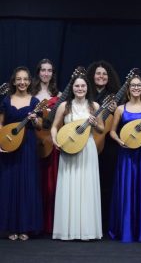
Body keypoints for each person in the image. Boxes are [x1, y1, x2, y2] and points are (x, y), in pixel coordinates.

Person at [51, 74, 104, 240]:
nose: (80, 89)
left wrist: (95, 123)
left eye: (83, 86)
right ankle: (68, 230)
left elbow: (101, 129)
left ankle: (87, 230)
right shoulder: (64, 106)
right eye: (77, 86)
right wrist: (55, 139)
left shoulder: (94, 106)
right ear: (72, 88)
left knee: (86, 187)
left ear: (87, 88)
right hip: (68, 148)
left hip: (87, 148)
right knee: (69, 186)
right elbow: (54, 127)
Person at [109, 74, 141, 242]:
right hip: (127, 153)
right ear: (128, 89)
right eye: (133, 85)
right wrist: (119, 141)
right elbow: (112, 131)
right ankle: (126, 230)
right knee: (127, 190)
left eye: (139, 85)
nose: (136, 88)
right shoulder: (120, 109)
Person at [0, 66, 43, 241]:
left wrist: (35, 119)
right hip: (9, 146)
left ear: (29, 81)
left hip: (28, 147)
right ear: (14, 81)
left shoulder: (34, 102)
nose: (22, 82)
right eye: (19, 79)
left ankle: (26, 227)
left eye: (25, 79)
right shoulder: (6, 100)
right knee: (10, 184)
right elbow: (1, 125)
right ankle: (11, 228)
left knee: (27, 184)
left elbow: (40, 125)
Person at [86, 60, 121, 233]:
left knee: (106, 184)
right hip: (86, 142)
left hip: (107, 147)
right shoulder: (84, 94)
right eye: (98, 73)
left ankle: (105, 223)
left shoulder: (114, 96)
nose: (101, 76)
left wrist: (114, 111)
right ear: (92, 76)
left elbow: (121, 123)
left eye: (104, 74)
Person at [32, 58, 61, 234]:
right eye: (43, 70)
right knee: (36, 183)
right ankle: (36, 223)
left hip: (52, 143)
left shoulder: (59, 95)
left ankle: (51, 225)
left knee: (52, 185)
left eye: (49, 70)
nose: (46, 73)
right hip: (36, 143)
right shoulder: (31, 95)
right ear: (38, 73)